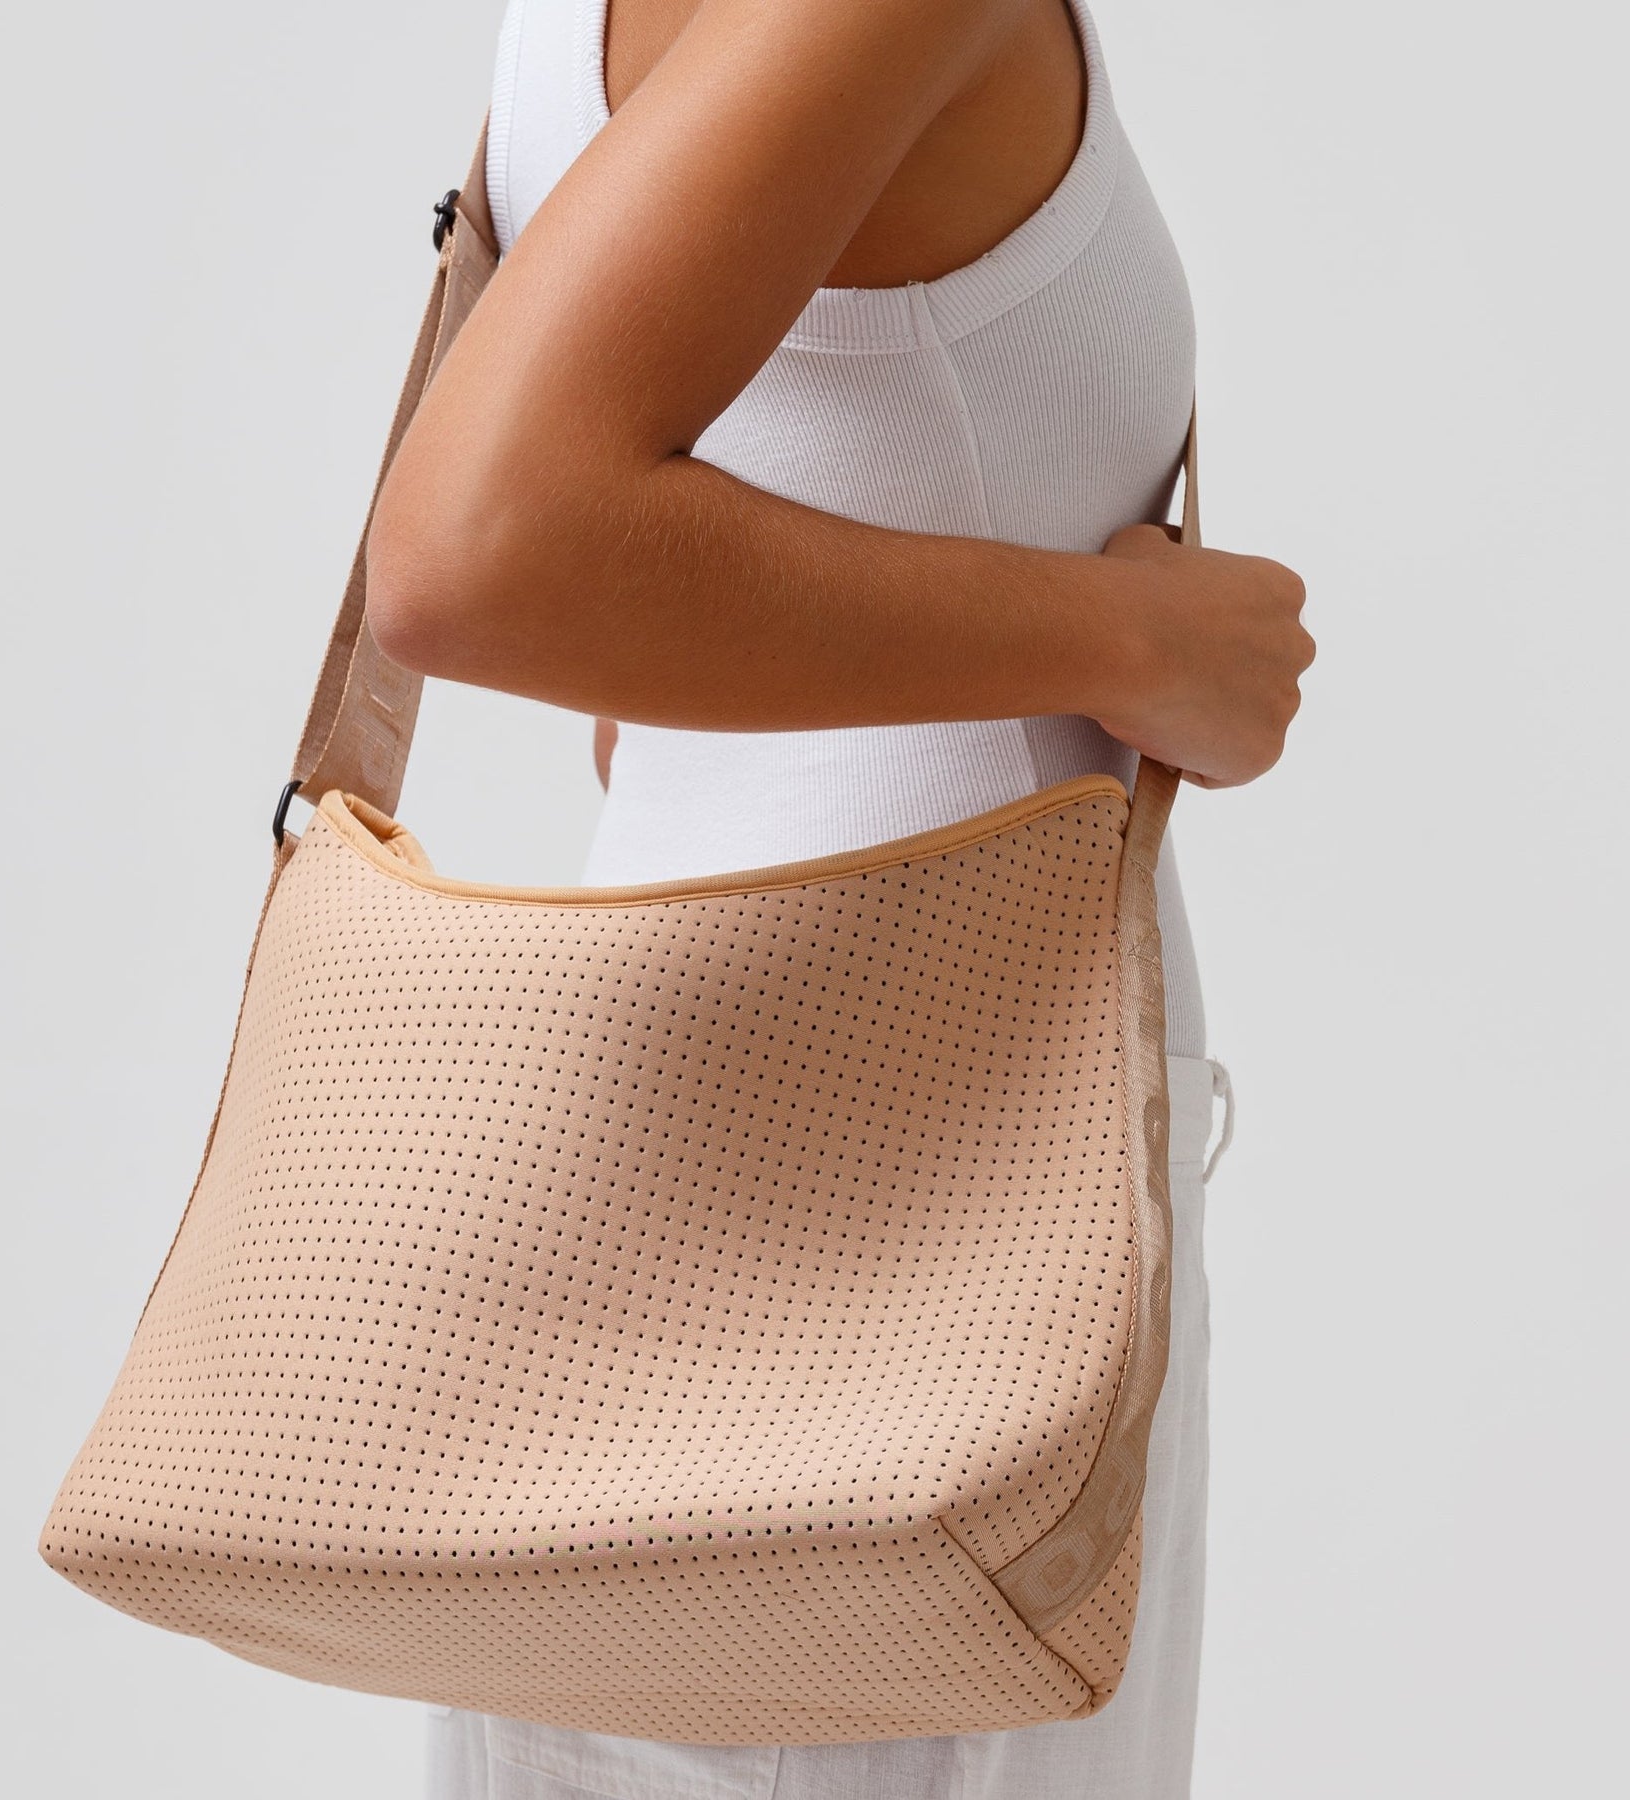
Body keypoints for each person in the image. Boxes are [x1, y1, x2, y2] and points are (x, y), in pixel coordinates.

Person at [367, 0, 1313, 1793]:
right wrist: (1133, 640)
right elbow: (474, 551)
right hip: (926, 1207)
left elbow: (656, 595)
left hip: (691, 1150)